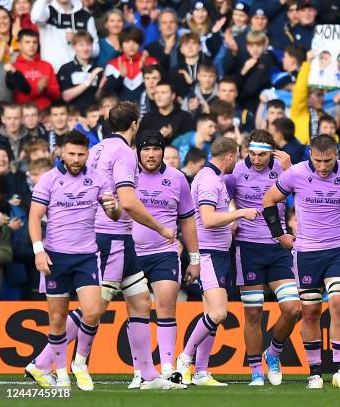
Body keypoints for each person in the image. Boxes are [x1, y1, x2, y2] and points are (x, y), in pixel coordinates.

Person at [262, 135, 340, 389]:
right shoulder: (295, 174)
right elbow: (269, 200)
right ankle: (315, 372)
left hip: (339, 249)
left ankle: (339, 369)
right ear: (310, 155)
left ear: (336, 154)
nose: (323, 166)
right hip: (306, 252)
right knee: (310, 311)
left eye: (328, 160)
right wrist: (279, 234)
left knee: (339, 302)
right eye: (317, 160)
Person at [89, 101, 185, 390]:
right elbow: (129, 202)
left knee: (142, 303)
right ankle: (45, 362)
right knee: (95, 308)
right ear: (135, 124)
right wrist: (161, 227)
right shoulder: (125, 154)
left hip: (111, 237)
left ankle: (148, 375)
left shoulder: (97, 150)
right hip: (114, 237)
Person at [26, 130, 120, 390]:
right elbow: (34, 217)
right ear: (62, 153)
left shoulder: (98, 179)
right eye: (72, 154)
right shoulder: (49, 179)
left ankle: (80, 364)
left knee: (92, 311)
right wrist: (38, 250)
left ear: (88, 153)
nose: (76, 159)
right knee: (57, 319)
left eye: (81, 154)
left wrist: (114, 208)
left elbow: (114, 214)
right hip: (55, 257)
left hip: (86, 256)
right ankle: (60, 373)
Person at [176, 137, 257, 386]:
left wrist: (230, 224)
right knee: (219, 313)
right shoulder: (210, 180)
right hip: (209, 253)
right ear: (230, 157)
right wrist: (241, 213)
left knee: (210, 313)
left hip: (218, 252)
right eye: (238, 157)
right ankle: (185, 357)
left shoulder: (211, 177)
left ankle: (201, 372)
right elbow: (208, 219)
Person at [224, 130, 300, 386]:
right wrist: (233, 215)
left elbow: (303, 199)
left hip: (278, 246)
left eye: (263, 155)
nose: (257, 160)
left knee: (292, 309)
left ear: (273, 152)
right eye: (253, 154)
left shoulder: (284, 168)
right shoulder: (235, 171)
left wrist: (291, 170)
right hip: (247, 248)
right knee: (253, 313)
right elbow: (223, 199)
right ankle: (256, 370)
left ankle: (274, 353)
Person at [130, 131, 200, 385]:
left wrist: (195, 258)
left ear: (163, 152)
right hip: (132, 254)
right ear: (138, 152)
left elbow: (188, 220)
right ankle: (140, 371)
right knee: (136, 312)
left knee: (167, 304)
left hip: (165, 252)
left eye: (156, 150)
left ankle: (169, 368)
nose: (151, 154)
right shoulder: (127, 177)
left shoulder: (177, 178)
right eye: (146, 150)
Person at [30, 0, 100, 72]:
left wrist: (78, 40)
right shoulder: (47, 12)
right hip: (52, 71)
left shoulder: (86, 16)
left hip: (77, 73)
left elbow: (95, 50)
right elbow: (35, 18)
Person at [12, 29, 60, 112]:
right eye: (27, 42)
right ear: (19, 45)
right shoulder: (14, 68)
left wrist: (46, 88)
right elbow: (18, 98)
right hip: (25, 115)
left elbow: (57, 95)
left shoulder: (47, 66)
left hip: (46, 113)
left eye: (35, 42)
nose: (32, 45)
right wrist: (38, 89)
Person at [57, 30, 104, 114]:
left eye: (88, 45)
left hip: (93, 117)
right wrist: (89, 81)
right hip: (73, 117)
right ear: (74, 47)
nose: (85, 48)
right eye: (81, 45)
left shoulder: (98, 68)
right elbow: (66, 96)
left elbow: (98, 98)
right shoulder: (66, 69)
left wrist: (101, 86)